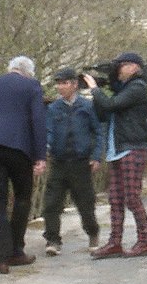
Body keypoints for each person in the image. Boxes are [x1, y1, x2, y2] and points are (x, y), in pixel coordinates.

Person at [0, 55, 47, 274]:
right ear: (28, 72)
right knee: (22, 198)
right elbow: (38, 120)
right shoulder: (31, 86)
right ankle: (16, 250)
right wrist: (40, 156)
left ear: (11, 69)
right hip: (20, 149)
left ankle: (2, 258)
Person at [82, 52, 147, 259]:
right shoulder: (124, 89)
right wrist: (101, 89)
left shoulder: (137, 87)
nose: (117, 70)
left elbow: (110, 105)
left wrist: (95, 89)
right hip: (118, 149)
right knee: (115, 198)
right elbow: (104, 113)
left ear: (133, 67)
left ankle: (144, 241)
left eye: (120, 66)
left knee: (131, 197)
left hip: (133, 147)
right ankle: (115, 242)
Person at [42, 68, 104, 256]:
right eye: (58, 83)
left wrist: (95, 156)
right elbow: (49, 131)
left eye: (64, 83)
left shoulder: (87, 107)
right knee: (52, 203)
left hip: (80, 162)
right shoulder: (53, 108)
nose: (61, 87)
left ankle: (93, 233)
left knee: (85, 203)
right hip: (59, 161)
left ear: (74, 84)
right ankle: (53, 239)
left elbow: (97, 132)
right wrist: (45, 148)